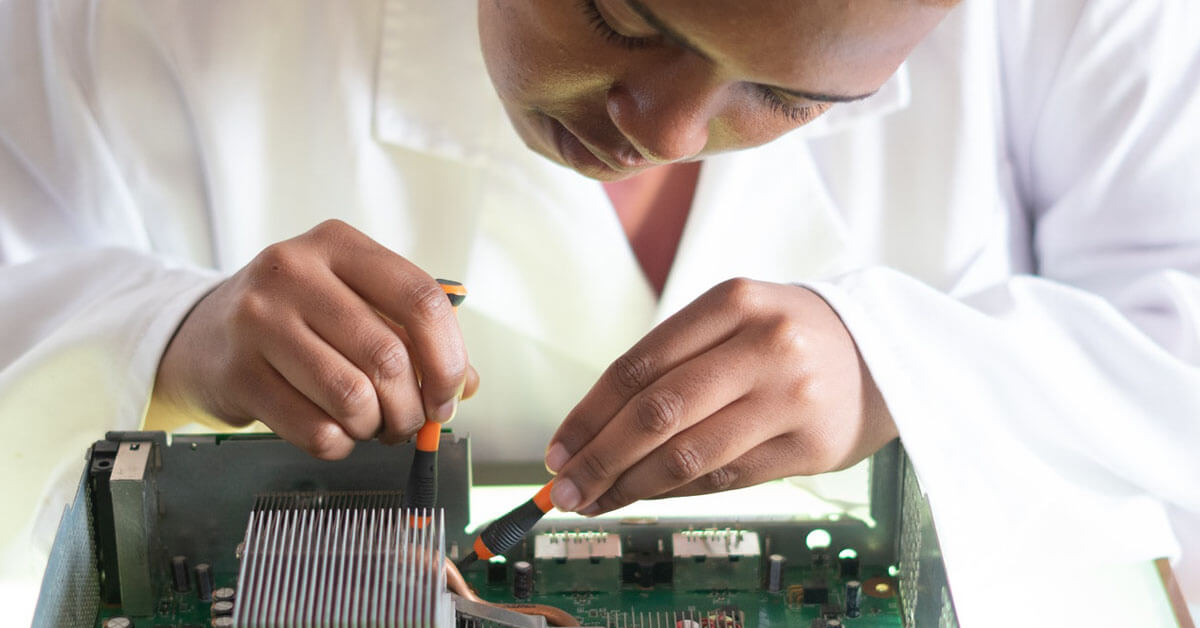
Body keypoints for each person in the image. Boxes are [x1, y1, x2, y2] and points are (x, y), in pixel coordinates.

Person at [2, 0, 1198, 623]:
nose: (663, 136)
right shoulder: (126, 25)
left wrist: (900, 368)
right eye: (624, 17)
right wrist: (170, 334)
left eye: (786, 96)